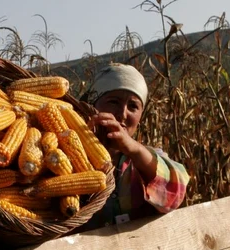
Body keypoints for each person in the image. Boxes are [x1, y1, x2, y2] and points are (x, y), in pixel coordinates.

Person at [79, 63, 190, 231]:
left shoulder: (146, 158)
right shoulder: (71, 158)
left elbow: (176, 192)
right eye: (113, 102)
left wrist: (134, 149)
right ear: (92, 106)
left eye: (133, 106)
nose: (122, 114)